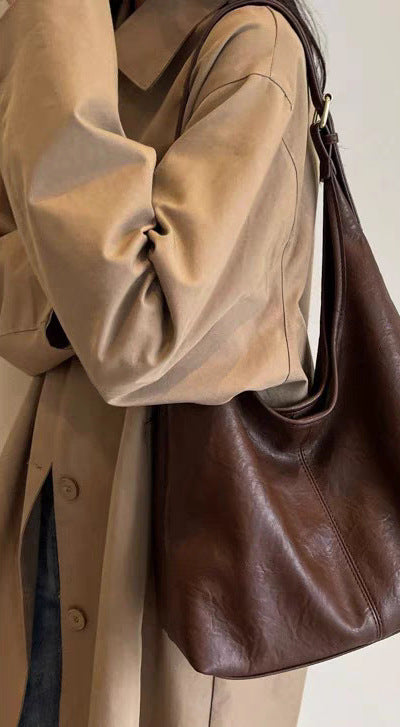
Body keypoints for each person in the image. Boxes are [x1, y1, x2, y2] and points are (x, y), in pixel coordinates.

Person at [0, 0, 325, 723]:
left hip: (167, 567)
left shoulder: (252, 49)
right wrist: (85, 280)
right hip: (43, 517)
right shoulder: (80, 38)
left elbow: (137, 330)